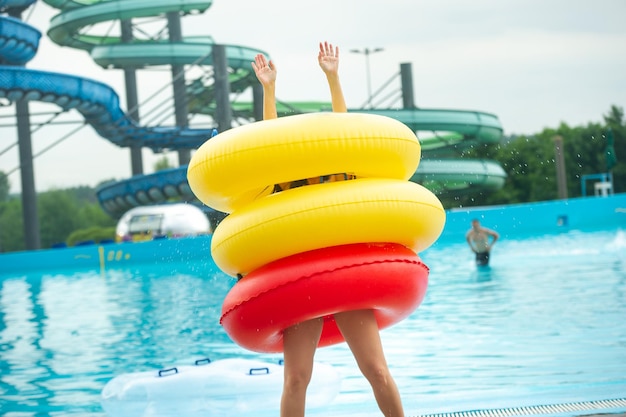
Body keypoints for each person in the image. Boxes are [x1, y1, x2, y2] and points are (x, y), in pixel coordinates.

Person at [251, 42, 405, 417]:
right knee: (296, 379)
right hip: (300, 280)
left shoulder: (340, 172)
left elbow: (345, 126)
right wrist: (268, 90)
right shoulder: (284, 180)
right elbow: (267, 143)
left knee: (377, 371)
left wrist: (333, 77)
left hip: (345, 275)